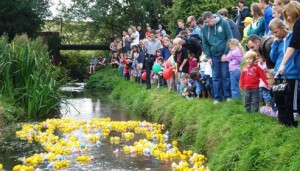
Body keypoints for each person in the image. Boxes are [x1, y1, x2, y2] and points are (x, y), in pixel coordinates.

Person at [269, 18, 300, 127]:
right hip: (279, 73)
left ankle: (291, 122)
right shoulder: (278, 41)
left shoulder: (293, 37)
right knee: (279, 98)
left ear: (282, 28)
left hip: (291, 72)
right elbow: (273, 58)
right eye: (273, 33)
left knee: (290, 99)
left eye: (276, 32)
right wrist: (274, 44)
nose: (275, 34)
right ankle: (282, 121)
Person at [202, 11, 233, 104]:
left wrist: (226, 53)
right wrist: (208, 57)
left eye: (208, 22)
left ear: (213, 18)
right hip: (213, 55)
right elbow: (205, 43)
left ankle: (228, 96)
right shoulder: (205, 28)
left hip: (224, 54)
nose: (207, 24)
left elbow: (230, 38)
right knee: (215, 77)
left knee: (225, 75)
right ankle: (218, 98)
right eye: (205, 23)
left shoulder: (223, 23)